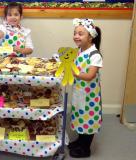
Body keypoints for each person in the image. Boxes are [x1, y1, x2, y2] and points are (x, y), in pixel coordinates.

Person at [69, 18, 103, 158]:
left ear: (90, 37)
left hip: (90, 96)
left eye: (81, 33)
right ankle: (79, 140)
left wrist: (74, 72)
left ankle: (85, 148)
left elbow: (90, 75)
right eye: (75, 33)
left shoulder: (95, 55)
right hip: (80, 91)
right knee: (79, 116)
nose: (76, 36)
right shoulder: (79, 50)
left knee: (88, 119)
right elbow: (72, 61)